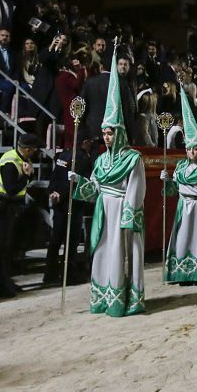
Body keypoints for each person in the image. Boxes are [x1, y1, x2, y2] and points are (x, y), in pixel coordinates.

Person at [69, 49, 147, 317]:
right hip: (104, 211)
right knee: (103, 252)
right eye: (104, 132)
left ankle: (124, 299)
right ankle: (103, 296)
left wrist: (128, 217)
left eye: (110, 132)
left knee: (121, 254)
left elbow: (136, 190)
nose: (106, 136)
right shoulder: (101, 161)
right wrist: (78, 182)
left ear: (120, 132)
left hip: (122, 214)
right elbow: (94, 189)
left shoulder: (133, 159)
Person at [160, 86, 197, 284]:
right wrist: (167, 181)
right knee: (183, 239)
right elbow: (174, 190)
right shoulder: (180, 167)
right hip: (184, 206)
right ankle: (182, 273)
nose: (191, 152)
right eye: (188, 149)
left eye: (195, 149)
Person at [0, 133, 40, 297]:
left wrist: (27, 176)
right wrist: (27, 176)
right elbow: (10, 189)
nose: (36, 151)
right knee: (0, 247)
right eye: (34, 149)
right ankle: (0, 286)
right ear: (28, 149)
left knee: (8, 246)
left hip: (8, 207)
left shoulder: (22, 159)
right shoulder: (10, 162)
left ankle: (7, 281)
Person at [44, 133, 95, 285]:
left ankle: (50, 274)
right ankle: (69, 275)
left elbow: (54, 176)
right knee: (71, 241)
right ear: (85, 142)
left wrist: (53, 191)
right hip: (72, 203)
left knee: (56, 239)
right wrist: (62, 193)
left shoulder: (63, 155)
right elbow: (74, 181)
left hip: (58, 202)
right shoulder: (82, 158)